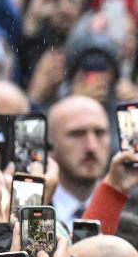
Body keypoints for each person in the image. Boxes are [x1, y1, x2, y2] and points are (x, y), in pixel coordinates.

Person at [47, 95, 111, 230]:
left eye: (100, 133)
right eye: (77, 134)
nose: (91, 146)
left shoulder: (130, 211)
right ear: (50, 145)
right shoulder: (29, 212)